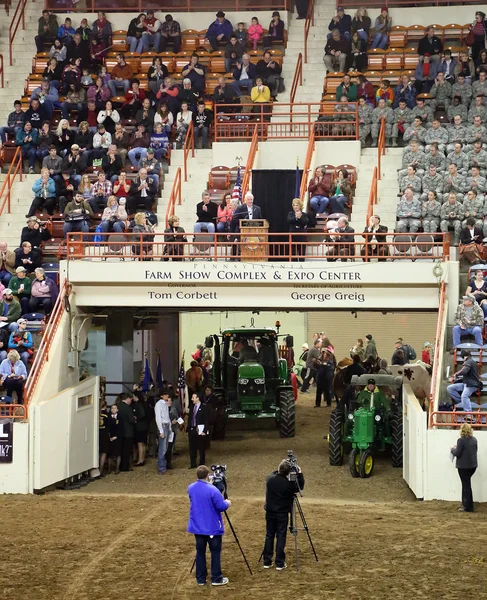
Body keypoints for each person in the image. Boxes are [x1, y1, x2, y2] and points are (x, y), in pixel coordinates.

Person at [187, 465, 231, 586]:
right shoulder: (213, 490)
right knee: (215, 552)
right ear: (208, 475)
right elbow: (221, 507)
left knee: (200, 552)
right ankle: (216, 578)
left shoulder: (191, 488)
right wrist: (227, 503)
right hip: (212, 527)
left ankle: (200, 579)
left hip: (197, 527)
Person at [263, 459, 304, 570]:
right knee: (281, 536)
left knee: (269, 535)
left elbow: (273, 473)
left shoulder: (270, 479)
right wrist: (299, 474)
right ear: (288, 472)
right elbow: (299, 487)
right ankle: (280, 563)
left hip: (270, 512)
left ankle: (267, 561)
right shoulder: (288, 484)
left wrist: (283, 466)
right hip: (282, 513)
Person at [451, 423, 478, 512]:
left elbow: (457, 453)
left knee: (466, 485)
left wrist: (452, 450)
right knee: (467, 485)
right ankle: (467, 504)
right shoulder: (474, 440)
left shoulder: (461, 441)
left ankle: (467, 506)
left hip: (463, 466)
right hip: (473, 466)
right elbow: (475, 450)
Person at [448, 349, 480, 414]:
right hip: (466, 383)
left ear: (465, 356)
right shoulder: (471, 361)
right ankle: (462, 403)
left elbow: (464, 370)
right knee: (450, 388)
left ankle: (469, 414)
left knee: (464, 396)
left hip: (472, 385)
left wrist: (455, 374)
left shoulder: (468, 361)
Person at [188, 393, 209, 469]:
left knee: (201, 447)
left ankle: (202, 463)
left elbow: (207, 420)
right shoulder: (192, 407)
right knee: (192, 447)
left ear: (198, 398)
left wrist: (205, 430)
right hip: (192, 429)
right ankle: (193, 463)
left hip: (200, 430)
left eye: (193, 398)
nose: (192, 399)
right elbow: (190, 418)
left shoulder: (204, 407)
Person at [117, 392, 135, 472]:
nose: (131, 401)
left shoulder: (117, 406)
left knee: (120, 449)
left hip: (119, 431)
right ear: (127, 399)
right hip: (128, 431)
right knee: (127, 450)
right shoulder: (127, 408)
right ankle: (125, 466)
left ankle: (119, 466)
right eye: (130, 399)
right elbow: (131, 419)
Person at [155, 391, 171, 475]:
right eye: (165, 394)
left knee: (165, 447)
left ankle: (163, 466)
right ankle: (161, 468)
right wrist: (161, 430)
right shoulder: (159, 404)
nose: (167, 396)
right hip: (163, 426)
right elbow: (158, 418)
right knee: (162, 448)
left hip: (166, 426)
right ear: (161, 396)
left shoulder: (165, 404)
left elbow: (167, 417)